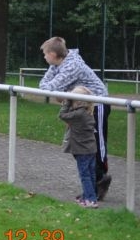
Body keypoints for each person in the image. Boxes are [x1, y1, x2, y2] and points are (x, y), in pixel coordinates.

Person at [40, 36, 111, 200]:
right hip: (79, 105)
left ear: (53, 54)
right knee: (77, 143)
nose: (44, 57)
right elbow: (44, 85)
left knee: (95, 141)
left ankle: (100, 178)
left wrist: (63, 92)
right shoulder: (57, 64)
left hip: (97, 103)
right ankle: (93, 184)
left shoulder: (72, 65)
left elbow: (51, 86)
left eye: (45, 53)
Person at [59, 86, 99, 208]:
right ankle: (89, 195)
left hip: (82, 151)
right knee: (91, 173)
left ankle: (91, 200)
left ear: (77, 101)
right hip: (91, 149)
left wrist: (66, 101)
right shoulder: (88, 111)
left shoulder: (79, 114)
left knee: (85, 175)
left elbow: (62, 115)